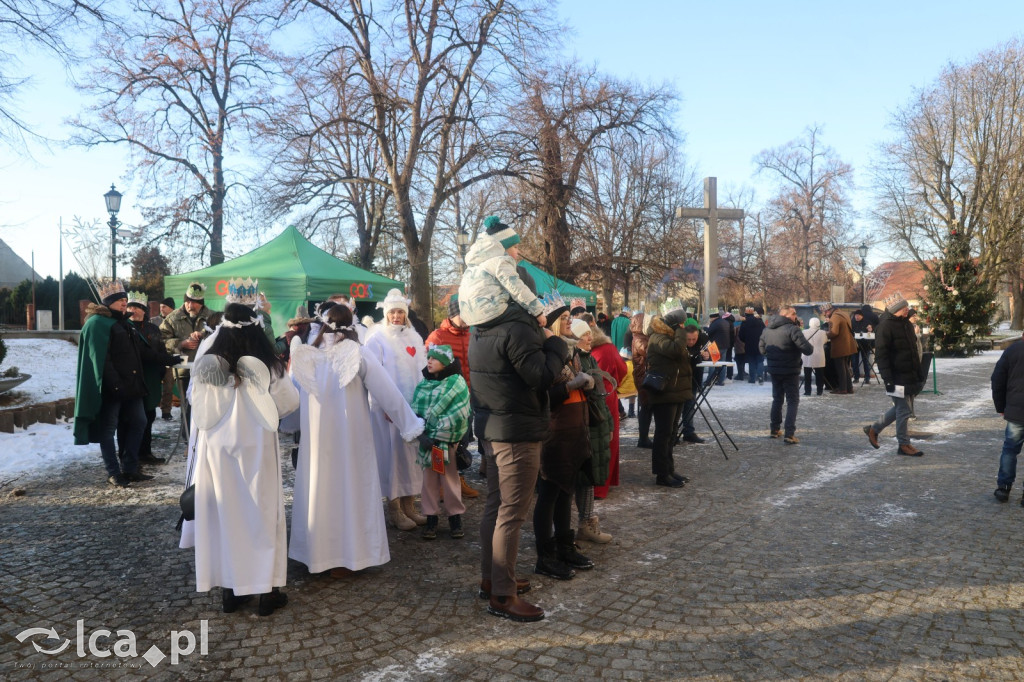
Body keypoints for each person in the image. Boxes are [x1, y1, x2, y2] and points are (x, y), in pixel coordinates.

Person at [288, 304, 424, 576]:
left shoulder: (307, 356)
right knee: (350, 492)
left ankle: (318, 555)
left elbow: (292, 401)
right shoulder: (358, 354)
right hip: (351, 440)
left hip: (317, 443)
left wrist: (289, 426)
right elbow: (388, 393)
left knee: (320, 491)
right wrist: (411, 425)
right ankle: (351, 555)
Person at [190, 303, 299, 616]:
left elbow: (195, 402)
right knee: (262, 514)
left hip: (219, 446)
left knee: (228, 514)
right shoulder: (269, 364)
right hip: (256, 444)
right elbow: (289, 402)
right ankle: (266, 590)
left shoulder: (209, 364)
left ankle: (231, 589)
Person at [470, 278, 568, 622]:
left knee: (496, 508)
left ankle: (492, 579)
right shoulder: (517, 327)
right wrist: (557, 346)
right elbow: (541, 376)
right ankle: (503, 595)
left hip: (494, 428)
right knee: (510, 514)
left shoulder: (480, 325)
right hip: (516, 432)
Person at [74, 280, 180, 487]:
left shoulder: (125, 323)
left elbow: (143, 351)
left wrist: (169, 360)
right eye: (121, 300)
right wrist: (115, 386)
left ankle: (130, 468)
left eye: (125, 300)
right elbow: (101, 360)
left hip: (132, 386)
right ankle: (114, 472)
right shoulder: (96, 324)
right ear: (109, 302)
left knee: (140, 421)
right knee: (108, 429)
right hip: (112, 388)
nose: (125, 303)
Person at [534, 310, 594, 579]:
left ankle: (564, 546)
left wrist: (588, 383)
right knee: (548, 495)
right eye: (566, 316)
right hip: (554, 433)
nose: (571, 320)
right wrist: (571, 387)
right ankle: (545, 557)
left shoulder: (572, 349)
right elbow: (541, 395)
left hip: (574, 431)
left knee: (566, 492)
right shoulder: (544, 349)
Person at [365, 288, 430, 531]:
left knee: (411, 458)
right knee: (391, 457)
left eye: (399, 312)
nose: (395, 317)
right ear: (385, 313)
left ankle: (409, 504)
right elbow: (372, 374)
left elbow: (421, 370)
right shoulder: (377, 338)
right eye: (391, 312)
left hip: (412, 408)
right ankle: (394, 509)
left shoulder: (413, 337)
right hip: (387, 410)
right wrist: (382, 403)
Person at [411, 344, 471, 540]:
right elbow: (416, 412)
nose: (429, 361)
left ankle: (455, 517)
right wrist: (422, 435)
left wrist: (440, 435)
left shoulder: (457, 383)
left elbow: (460, 413)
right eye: (428, 358)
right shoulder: (423, 385)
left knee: (450, 480)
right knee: (428, 482)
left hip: (448, 443)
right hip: (428, 443)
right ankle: (431, 517)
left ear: (445, 363)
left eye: (434, 359)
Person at [425, 296, 479, 500]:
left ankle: (459, 478)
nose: (467, 318)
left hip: (468, 395)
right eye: (463, 313)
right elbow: (428, 368)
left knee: (463, 439)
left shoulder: (473, 334)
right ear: (452, 314)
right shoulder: (437, 336)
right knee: (442, 442)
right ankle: (440, 483)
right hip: (445, 399)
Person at [863, 294, 925, 456]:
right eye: (905, 308)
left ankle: (874, 429)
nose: (908, 310)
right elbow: (882, 356)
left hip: (909, 375)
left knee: (901, 408)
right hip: (896, 377)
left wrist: (918, 374)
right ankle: (904, 444)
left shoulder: (906, 325)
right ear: (897, 309)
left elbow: (913, 352)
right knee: (904, 410)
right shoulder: (885, 327)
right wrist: (888, 380)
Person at [458, 215, 546, 329]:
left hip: (471, 317)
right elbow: (517, 288)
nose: (518, 252)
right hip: (492, 312)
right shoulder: (500, 262)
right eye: (515, 247)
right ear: (502, 247)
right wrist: (538, 312)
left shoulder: (474, 268)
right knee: (528, 317)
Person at [645, 310, 695, 488]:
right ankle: (661, 474)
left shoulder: (669, 337)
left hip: (675, 391)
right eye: (681, 324)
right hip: (664, 392)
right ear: (675, 324)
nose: (683, 328)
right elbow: (676, 351)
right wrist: (681, 332)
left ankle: (669, 469)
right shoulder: (658, 337)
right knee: (663, 434)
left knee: (671, 433)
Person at [121, 291, 167, 466]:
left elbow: (161, 351)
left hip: (151, 379)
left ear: (144, 310)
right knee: (132, 419)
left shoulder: (153, 329)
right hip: (133, 380)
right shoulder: (125, 327)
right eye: (131, 307)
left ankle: (145, 452)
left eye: (138, 307)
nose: (134, 310)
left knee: (149, 415)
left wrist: (161, 371)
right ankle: (130, 454)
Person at [760, 306, 813, 444]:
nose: (796, 316)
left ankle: (774, 429)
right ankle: (789, 433)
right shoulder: (792, 329)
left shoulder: (767, 329)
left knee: (777, 399)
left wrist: (772, 357)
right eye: (794, 313)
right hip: (790, 369)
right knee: (792, 401)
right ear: (787, 315)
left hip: (774, 369)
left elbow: (761, 348)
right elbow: (808, 349)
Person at [590, 321, 627, 502]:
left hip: (595, 395)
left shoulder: (589, 349)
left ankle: (598, 487)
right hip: (607, 394)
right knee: (609, 440)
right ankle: (605, 482)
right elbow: (623, 369)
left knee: (600, 439)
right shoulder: (609, 348)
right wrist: (615, 382)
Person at [992, 332, 1024, 503]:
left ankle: (1004, 488)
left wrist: (1000, 406)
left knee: (1010, 450)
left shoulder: (1012, 351)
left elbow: (997, 379)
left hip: (1016, 410)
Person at [160, 282, 212, 362]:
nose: (190, 306)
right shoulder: (172, 319)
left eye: (194, 302)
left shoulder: (213, 317)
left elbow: (222, 338)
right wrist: (180, 344)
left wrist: (203, 334)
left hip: (207, 370)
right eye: (187, 302)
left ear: (201, 304)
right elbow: (160, 341)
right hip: (181, 371)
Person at [630, 311, 654, 448]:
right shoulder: (639, 339)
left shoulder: (641, 337)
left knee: (647, 407)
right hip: (643, 377)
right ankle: (643, 439)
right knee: (646, 407)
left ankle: (644, 438)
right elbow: (649, 351)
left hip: (644, 375)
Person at [823, 303, 857, 394]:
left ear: (828, 311)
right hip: (848, 344)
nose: (824, 315)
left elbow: (834, 333)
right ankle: (849, 388)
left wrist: (825, 334)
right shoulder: (843, 313)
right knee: (845, 366)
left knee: (840, 368)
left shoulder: (835, 317)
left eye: (824, 313)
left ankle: (842, 389)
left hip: (840, 345)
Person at [151, 297, 176, 420]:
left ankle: (166, 411)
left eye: (164, 306)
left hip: (171, 357)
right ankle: (151, 408)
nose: (161, 309)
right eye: (160, 306)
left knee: (168, 385)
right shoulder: (154, 321)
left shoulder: (176, 320)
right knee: (154, 384)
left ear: (172, 308)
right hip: (156, 358)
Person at [739, 306, 766, 384]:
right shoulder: (760, 322)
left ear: (746, 314)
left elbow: (741, 335)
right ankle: (760, 376)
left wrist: (746, 341)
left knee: (752, 362)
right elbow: (765, 332)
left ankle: (752, 378)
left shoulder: (744, 323)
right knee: (760, 361)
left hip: (749, 345)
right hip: (760, 344)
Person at [802, 316, 828, 397]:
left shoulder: (804, 332)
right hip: (819, 354)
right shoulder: (823, 332)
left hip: (807, 354)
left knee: (807, 375)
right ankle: (819, 390)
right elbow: (825, 341)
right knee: (819, 374)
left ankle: (807, 391)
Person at [707, 308, 733, 386]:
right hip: (725, 345)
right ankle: (721, 380)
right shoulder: (725, 322)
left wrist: (706, 328)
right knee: (722, 363)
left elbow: (709, 332)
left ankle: (709, 381)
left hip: (716, 346)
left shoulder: (714, 323)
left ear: (712, 317)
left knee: (712, 363)